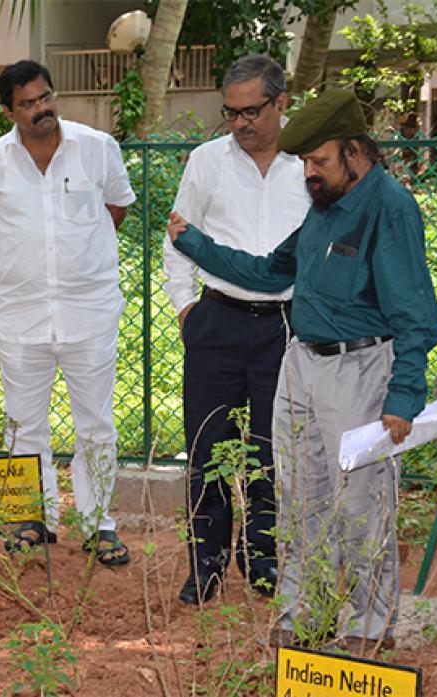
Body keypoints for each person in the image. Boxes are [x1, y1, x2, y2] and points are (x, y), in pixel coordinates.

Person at [168, 90, 437, 654]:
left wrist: (403, 396)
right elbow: (270, 272)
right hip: (299, 364)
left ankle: (369, 626)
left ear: (354, 151)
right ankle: (305, 611)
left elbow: (416, 316)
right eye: (306, 164)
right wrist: (194, 243)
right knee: (300, 498)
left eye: (318, 161)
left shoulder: (388, 208)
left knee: (361, 503)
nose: (309, 173)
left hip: (360, 370)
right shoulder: (323, 206)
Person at [0, 60, 136, 566]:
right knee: (23, 424)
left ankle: (98, 524)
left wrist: (77, 257)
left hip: (90, 312)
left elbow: (117, 210)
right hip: (22, 316)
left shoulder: (97, 148)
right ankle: (32, 519)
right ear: (8, 112)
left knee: (96, 425)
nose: (41, 109)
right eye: (28, 104)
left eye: (45, 97)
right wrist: (27, 260)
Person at [164, 56, 311, 606]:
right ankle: (206, 566)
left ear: (281, 103)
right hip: (217, 322)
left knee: (274, 449)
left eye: (252, 111)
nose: (241, 123)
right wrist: (187, 310)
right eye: (231, 112)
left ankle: (262, 559)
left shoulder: (308, 161)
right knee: (208, 448)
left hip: (286, 326)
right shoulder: (208, 162)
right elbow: (177, 237)